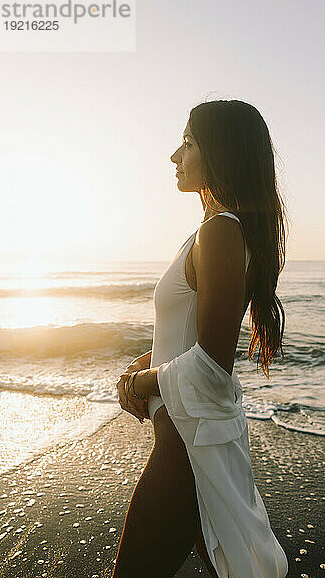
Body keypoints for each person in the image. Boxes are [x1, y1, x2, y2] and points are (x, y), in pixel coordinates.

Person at [114, 99, 288, 578]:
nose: (175, 154)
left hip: (184, 450)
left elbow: (212, 367)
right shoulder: (212, 233)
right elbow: (189, 336)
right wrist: (145, 362)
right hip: (184, 440)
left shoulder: (221, 232)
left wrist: (143, 384)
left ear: (221, 154)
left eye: (188, 142)